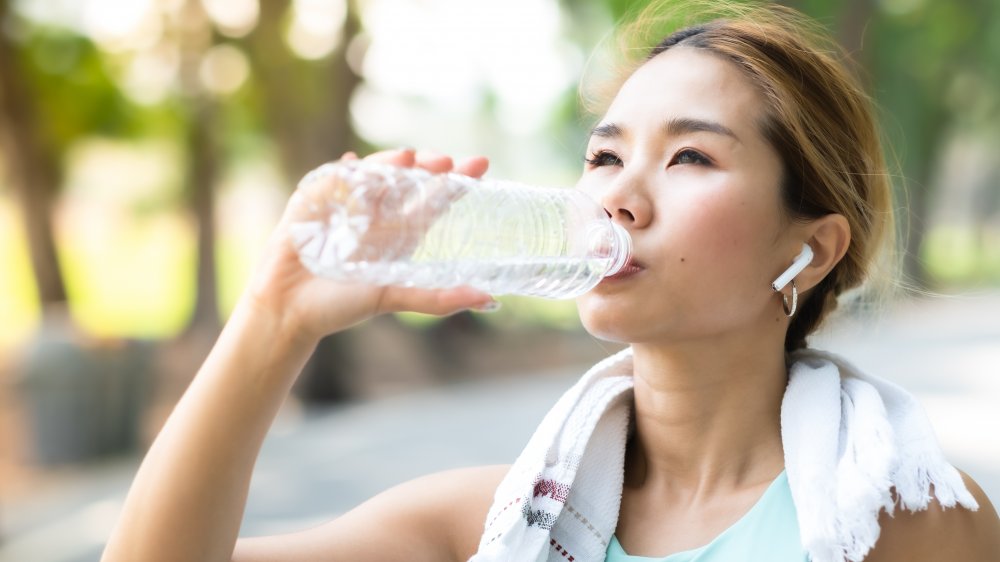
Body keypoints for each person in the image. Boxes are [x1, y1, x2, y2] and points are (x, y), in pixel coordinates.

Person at [100, 2, 1000, 561]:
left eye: (689, 155)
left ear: (811, 247)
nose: (618, 197)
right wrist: (274, 317)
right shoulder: (490, 526)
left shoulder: (907, 522)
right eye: (604, 155)